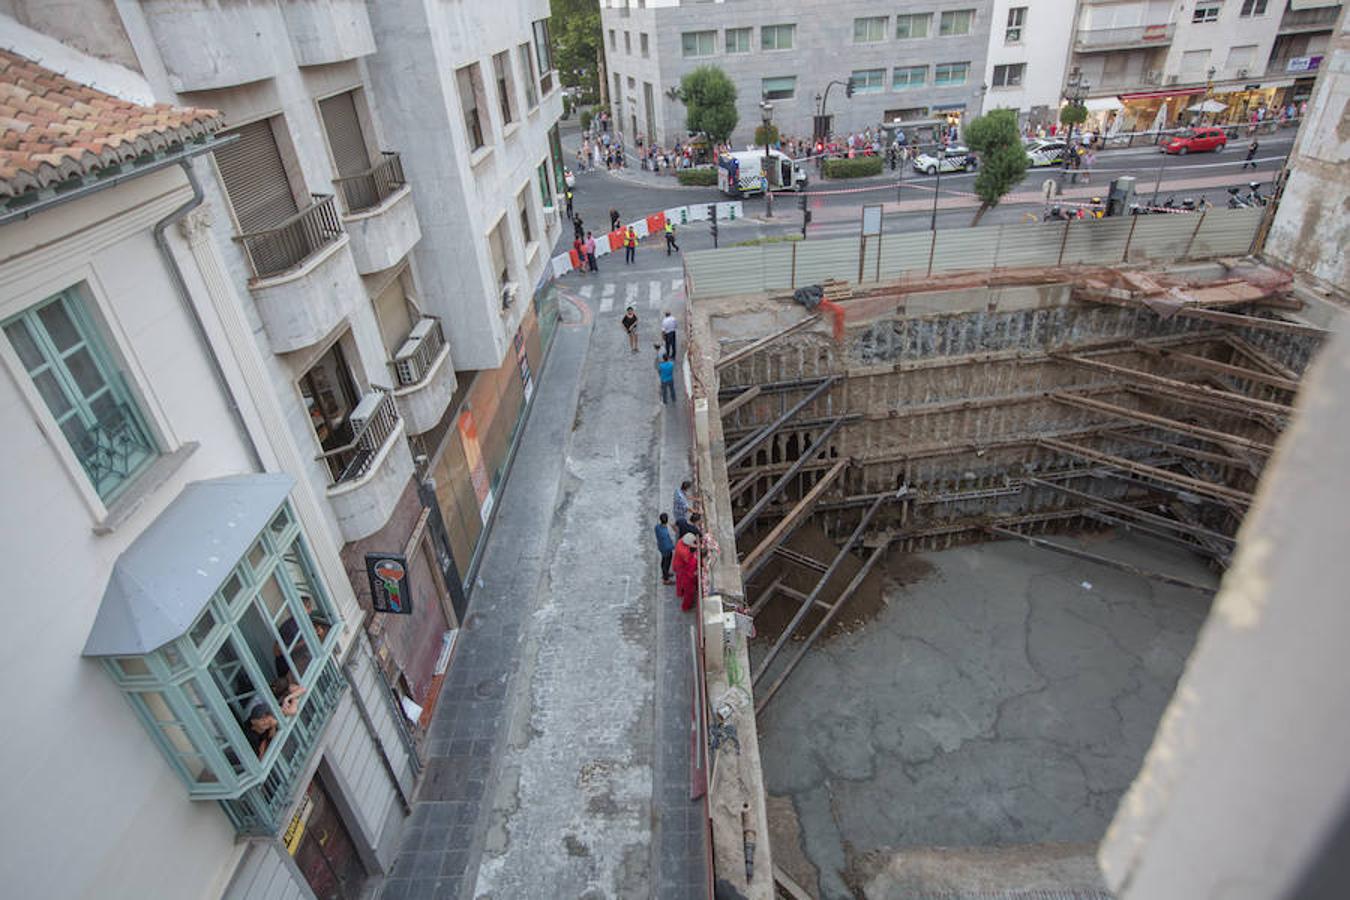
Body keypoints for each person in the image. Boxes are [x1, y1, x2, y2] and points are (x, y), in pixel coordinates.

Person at [673, 532, 700, 612]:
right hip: (682, 569)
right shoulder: (685, 553)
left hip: (678, 565)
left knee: (679, 581)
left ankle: (680, 593)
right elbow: (688, 560)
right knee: (689, 592)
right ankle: (686, 607)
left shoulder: (680, 541)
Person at [654, 513, 676, 584]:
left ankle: (665, 574)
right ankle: (666, 579)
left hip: (661, 547)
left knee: (663, 561)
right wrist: (674, 547)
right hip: (666, 550)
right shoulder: (665, 532)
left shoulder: (657, 527)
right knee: (666, 563)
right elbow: (668, 544)